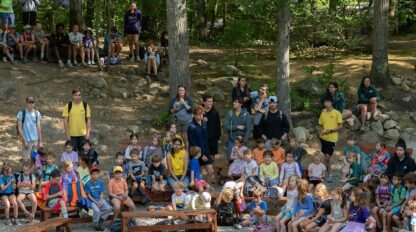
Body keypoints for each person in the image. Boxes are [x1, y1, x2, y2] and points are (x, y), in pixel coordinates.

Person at [187, 106, 214, 184]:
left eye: (202, 114)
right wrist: (201, 155)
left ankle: (207, 189)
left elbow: (206, 138)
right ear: (194, 115)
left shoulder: (204, 123)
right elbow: (192, 143)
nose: (200, 116)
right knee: (199, 174)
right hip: (196, 154)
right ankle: (199, 189)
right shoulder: (191, 127)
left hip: (206, 151)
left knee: (210, 171)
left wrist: (206, 152)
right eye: (198, 115)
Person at [319, 95, 342, 178]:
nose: (326, 104)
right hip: (323, 138)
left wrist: (330, 131)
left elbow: (340, 127)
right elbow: (321, 125)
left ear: (331, 103)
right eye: (325, 102)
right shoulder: (323, 113)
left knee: (328, 157)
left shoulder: (337, 113)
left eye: (328, 102)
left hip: (332, 139)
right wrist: (321, 131)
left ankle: (325, 172)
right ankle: (328, 173)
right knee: (325, 157)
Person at [62, 88, 91, 153]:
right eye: (76, 95)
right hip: (72, 135)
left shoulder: (85, 105)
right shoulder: (68, 106)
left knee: (83, 154)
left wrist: (87, 134)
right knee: (72, 154)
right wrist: (67, 135)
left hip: (83, 135)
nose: (78, 97)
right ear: (72, 96)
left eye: (79, 95)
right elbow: (65, 121)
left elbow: (88, 120)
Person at [85, 166, 112, 231]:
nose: (95, 175)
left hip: (100, 199)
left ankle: (101, 220)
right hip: (92, 201)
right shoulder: (88, 184)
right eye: (93, 174)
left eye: (97, 174)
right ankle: (96, 224)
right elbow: (89, 196)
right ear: (90, 175)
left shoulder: (101, 182)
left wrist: (100, 201)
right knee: (97, 211)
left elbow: (102, 193)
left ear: (99, 174)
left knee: (109, 208)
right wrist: (96, 202)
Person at [17, 96, 43, 163]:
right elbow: (19, 128)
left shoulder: (37, 113)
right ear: (27, 103)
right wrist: (24, 140)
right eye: (29, 102)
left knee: (34, 158)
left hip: (35, 141)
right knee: (25, 159)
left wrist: (40, 141)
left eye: (32, 102)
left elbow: (39, 127)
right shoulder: (21, 113)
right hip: (27, 140)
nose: (31, 104)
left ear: (34, 103)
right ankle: (24, 172)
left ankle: (32, 173)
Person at [202, 94, 221, 161]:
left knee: (212, 159)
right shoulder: (199, 112)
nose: (211, 103)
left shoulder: (215, 113)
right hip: (202, 139)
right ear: (204, 102)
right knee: (201, 159)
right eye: (209, 101)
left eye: (211, 101)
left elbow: (218, 126)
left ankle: (212, 171)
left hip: (213, 140)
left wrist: (217, 137)